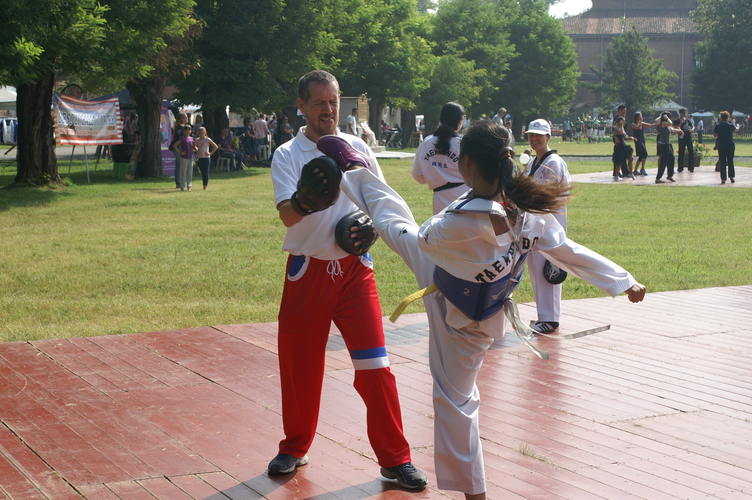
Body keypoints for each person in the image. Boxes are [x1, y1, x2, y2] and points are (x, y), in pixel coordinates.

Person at [328, 120, 646, 500]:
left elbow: (426, 238)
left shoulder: (460, 221)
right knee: (394, 222)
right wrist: (623, 280)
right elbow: (566, 249)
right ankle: (355, 167)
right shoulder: (528, 212)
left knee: (393, 223)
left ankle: (354, 167)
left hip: (454, 308)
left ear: (466, 164)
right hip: (482, 307)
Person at [268, 70, 427, 490]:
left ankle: (396, 459)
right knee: (300, 367)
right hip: (308, 271)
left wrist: (372, 227)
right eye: (319, 102)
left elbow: (380, 202)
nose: (328, 109)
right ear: (301, 105)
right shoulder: (288, 153)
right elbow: (286, 215)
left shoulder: (358, 148)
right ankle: (295, 446)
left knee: (376, 367)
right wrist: (305, 202)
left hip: (356, 273)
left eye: (334, 101)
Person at [523, 118, 571, 333]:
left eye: (538, 135)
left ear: (548, 137)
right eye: (531, 135)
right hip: (535, 226)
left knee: (548, 272)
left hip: (550, 225)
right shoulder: (533, 162)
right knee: (536, 270)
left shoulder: (554, 163)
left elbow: (551, 196)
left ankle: (550, 319)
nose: (534, 139)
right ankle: (544, 316)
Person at [411, 102, 467, 214]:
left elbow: (417, 174)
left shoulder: (427, 142)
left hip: (439, 199)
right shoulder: (463, 143)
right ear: (460, 121)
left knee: (442, 225)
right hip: (465, 197)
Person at [655, 112, 683, 184]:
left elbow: (673, 130)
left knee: (671, 159)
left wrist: (679, 131)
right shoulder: (663, 123)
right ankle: (658, 178)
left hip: (667, 144)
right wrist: (666, 118)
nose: (670, 119)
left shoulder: (667, 125)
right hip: (664, 145)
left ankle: (670, 176)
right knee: (663, 161)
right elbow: (670, 123)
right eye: (670, 117)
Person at [713, 110, 739, 184]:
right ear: (728, 117)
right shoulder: (730, 125)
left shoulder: (718, 126)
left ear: (721, 118)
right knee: (730, 160)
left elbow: (715, 135)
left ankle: (723, 178)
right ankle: (731, 176)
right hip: (730, 144)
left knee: (722, 161)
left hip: (721, 144)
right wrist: (737, 125)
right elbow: (736, 129)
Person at [631, 112, 658, 176]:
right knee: (644, 153)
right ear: (637, 117)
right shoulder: (633, 124)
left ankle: (638, 170)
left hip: (642, 139)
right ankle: (641, 169)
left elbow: (650, 125)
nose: (642, 117)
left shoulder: (642, 123)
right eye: (640, 116)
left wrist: (658, 124)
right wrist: (640, 121)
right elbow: (638, 127)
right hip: (638, 140)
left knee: (642, 155)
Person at [611, 116, 635, 180]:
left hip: (624, 146)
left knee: (631, 158)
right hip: (619, 146)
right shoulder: (616, 128)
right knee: (620, 161)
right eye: (623, 121)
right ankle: (616, 175)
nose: (624, 122)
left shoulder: (623, 128)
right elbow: (619, 132)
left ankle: (631, 173)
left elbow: (625, 137)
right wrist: (621, 126)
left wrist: (631, 138)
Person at [172, 124, 194, 191]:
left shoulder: (192, 138)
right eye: (186, 130)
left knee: (189, 172)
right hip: (184, 157)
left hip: (190, 156)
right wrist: (180, 152)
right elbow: (175, 145)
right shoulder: (182, 138)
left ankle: (189, 185)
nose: (187, 131)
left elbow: (193, 146)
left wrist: (197, 149)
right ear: (184, 131)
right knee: (183, 172)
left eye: (189, 130)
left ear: (191, 131)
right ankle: (182, 185)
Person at [674, 107, 695, 173]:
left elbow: (692, 126)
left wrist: (692, 129)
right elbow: (675, 127)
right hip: (681, 137)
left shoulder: (687, 120)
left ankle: (691, 167)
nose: (685, 114)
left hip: (688, 136)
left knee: (691, 151)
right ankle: (680, 167)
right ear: (680, 113)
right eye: (683, 113)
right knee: (681, 152)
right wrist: (681, 123)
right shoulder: (677, 120)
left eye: (685, 113)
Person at [171, 112, 189, 188]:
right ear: (182, 119)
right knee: (179, 165)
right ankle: (179, 183)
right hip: (178, 147)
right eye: (186, 117)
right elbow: (178, 138)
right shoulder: (179, 128)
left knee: (182, 165)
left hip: (183, 147)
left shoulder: (183, 127)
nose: (187, 118)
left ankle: (181, 181)